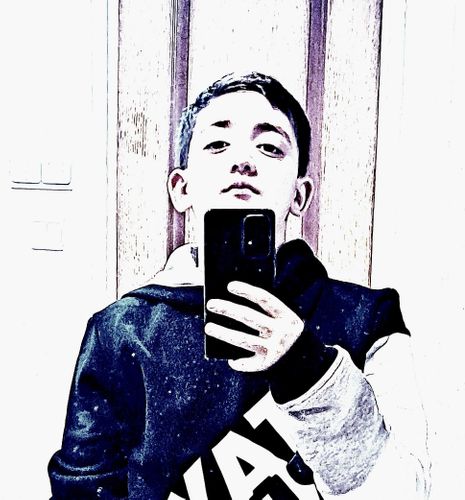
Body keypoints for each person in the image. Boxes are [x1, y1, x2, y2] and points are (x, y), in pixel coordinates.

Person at [48, 72, 430, 499]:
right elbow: (81, 490)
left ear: (300, 195)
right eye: (217, 144)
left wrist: (307, 368)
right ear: (181, 188)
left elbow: (407, 492)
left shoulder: (368, 316)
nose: (243, 161)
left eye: (270, 147)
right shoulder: (120, 330)